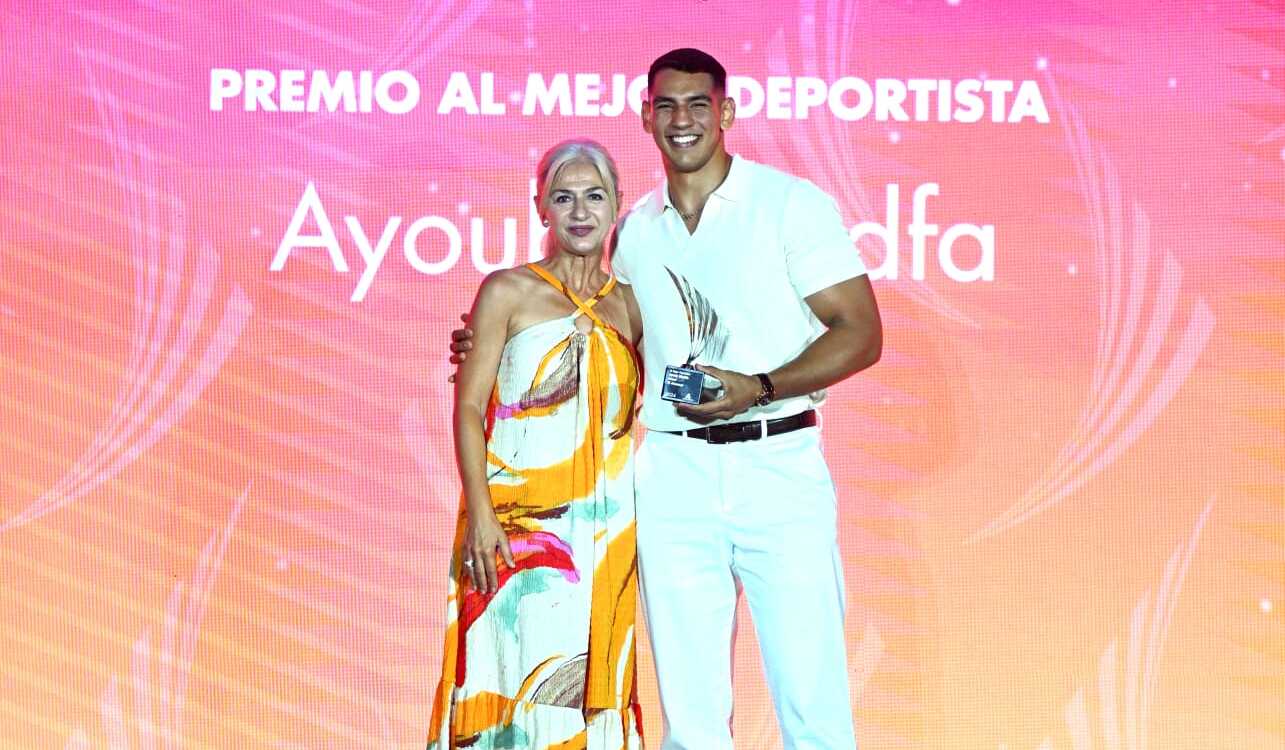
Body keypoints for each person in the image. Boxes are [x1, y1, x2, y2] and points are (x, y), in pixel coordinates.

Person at [452, 48, 881, 749]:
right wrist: (481, 347)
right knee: (690, 711)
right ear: (645, 116)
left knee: (811, 700)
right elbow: (583, 324)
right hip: (672, 475)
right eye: (667, 106)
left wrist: (758, 387)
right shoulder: (635, 233)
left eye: (697, 105)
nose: (682, 120)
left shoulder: (787, 204)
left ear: (726, 113)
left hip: (778, 465)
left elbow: (861, 333)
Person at [428, 139, 644, 750]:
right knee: (509, 679)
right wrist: (480, 517)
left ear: (617, 206)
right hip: (513, 528)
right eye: (564, 197)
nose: (580, 212)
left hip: (605, 537)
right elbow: (468, 408)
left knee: (585, 684)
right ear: (541, 209)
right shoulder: (507, 291)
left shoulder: (633, 305)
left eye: (594, 196)